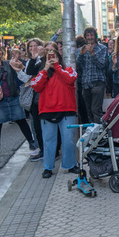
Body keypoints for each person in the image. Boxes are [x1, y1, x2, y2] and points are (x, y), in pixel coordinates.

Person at [31, 42, 79, 179]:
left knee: (68, 140)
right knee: (48, 141)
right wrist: (46, 68)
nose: (51, 59)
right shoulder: (42, 73)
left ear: (59, 57)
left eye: (54, 56)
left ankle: (70, 165)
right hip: (47, 112)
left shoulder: (69, 70)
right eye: (48, 57)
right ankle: (48, 167)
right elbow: (35, 86)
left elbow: (70, 79)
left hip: (67, 110)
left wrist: (57, 66)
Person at [0, 44, 38, 159]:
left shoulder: (7, 63)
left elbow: (18, 75)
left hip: (12, 96)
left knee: (21, 120)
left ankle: (31, 142)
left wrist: (19, 66)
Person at [76, 27, 108, 123]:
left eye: (92, 35)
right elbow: (77, 66)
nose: (90, 37)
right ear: (85, 37)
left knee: (96, 109)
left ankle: (100, 132)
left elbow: (102, 65)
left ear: (95, 36)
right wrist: (81, 54)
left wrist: (92, 53)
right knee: (89, 110)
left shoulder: (103, 48)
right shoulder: (80, 50)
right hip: (86, 83)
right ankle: (92, 132)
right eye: (88, 35)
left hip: (98, 82)